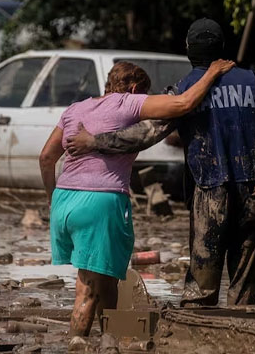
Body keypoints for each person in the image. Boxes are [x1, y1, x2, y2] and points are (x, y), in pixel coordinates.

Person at [65, 18, 255, 307]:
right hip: (254, 192)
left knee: (201, 289)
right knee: (245, 285)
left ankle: (200, 340)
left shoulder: (186, 90)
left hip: (209, 193)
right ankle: (245, 337)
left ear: (189, 50)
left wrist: (95, 141)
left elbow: (145, 135)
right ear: (222, 48)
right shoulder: (253, 83)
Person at [38, 58, 235, 338]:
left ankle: (111, 343)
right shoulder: (127, 104)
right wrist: (212, 72)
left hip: (64, 201)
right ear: (133, 88)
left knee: (106, 280)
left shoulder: (75, 108)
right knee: (87, 290)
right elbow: (182, 104)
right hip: (99, 202)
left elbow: (46, 158)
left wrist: (52, 199)